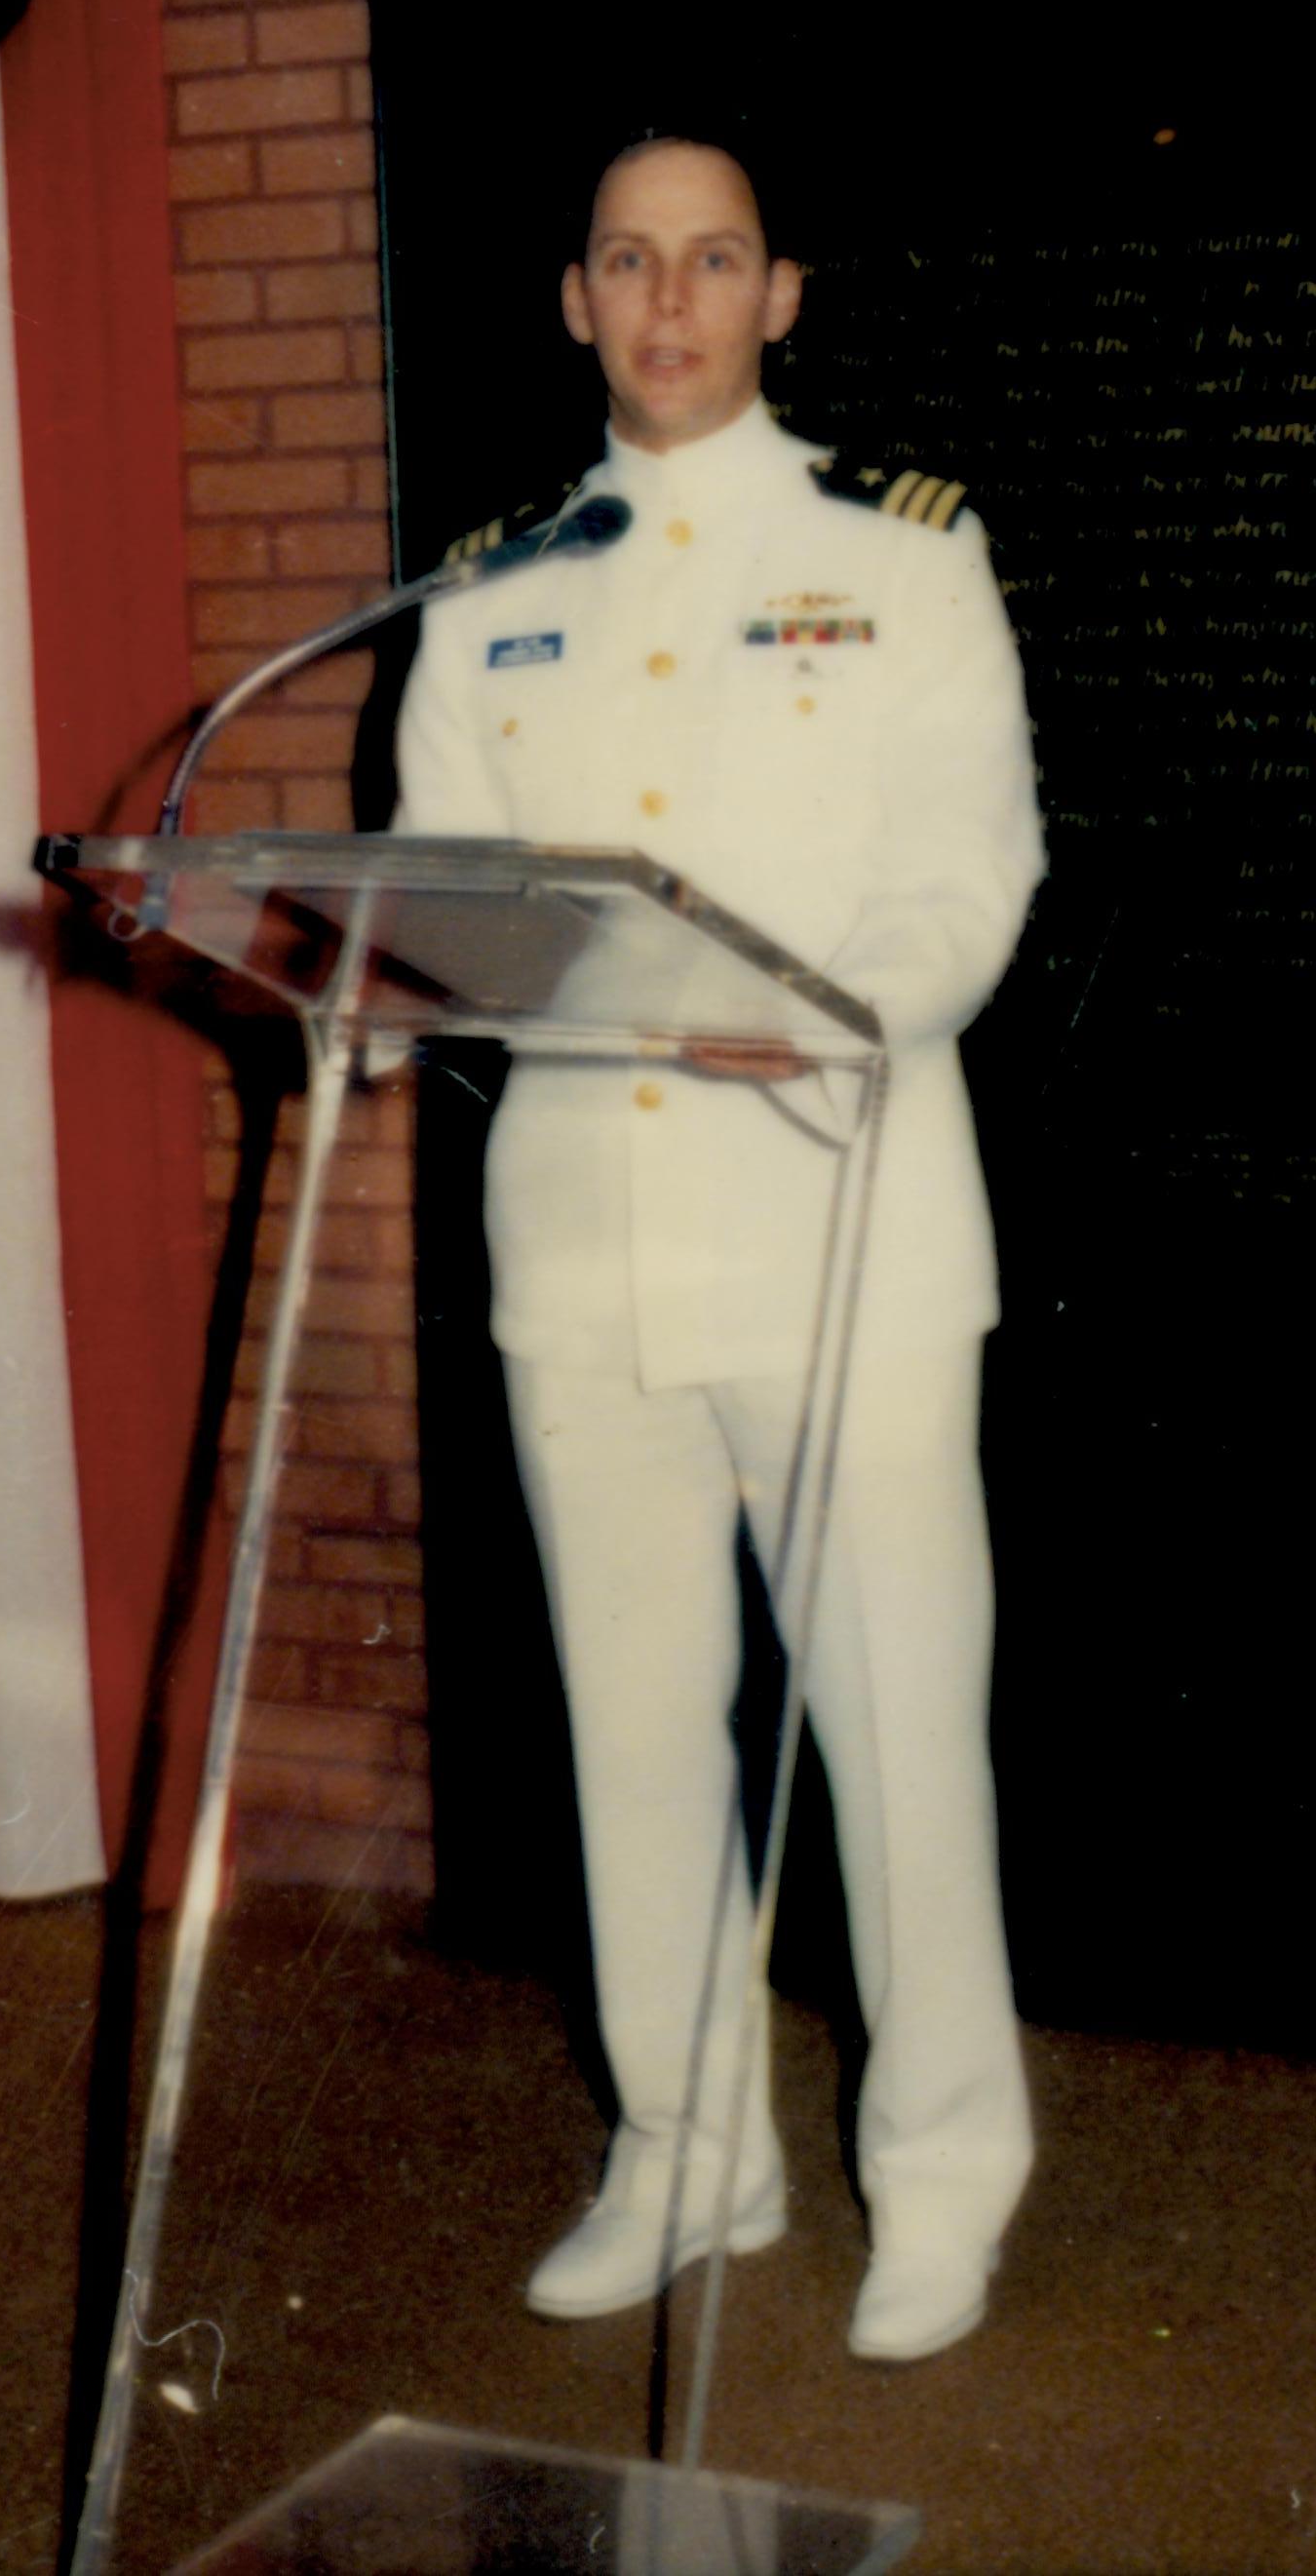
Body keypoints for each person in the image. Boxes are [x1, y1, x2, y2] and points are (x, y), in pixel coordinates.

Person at [392, 133, 1045, 2362]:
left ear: (783, 296)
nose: (669, 300)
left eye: (715, 261)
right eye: (627, 263)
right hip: (586, 1246)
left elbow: (970, 876)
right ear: (573, 300)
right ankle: (690, 2149)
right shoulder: (490, 592)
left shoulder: (903, 557)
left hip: (836, 1221)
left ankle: (942, 2172)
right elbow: (439, 887)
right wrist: (367, 982)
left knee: (892, 1725)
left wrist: (827, 1015)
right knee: (634, 1731)